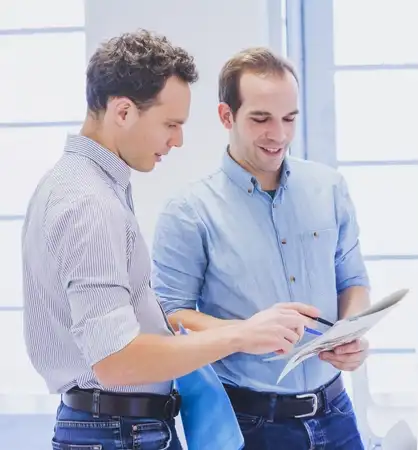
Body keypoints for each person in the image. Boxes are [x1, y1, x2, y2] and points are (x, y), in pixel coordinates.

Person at [22, 31, 316, 449]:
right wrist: (242, 335)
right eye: (171, 125)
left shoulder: (80, 186)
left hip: (117, 429)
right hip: (117, 434)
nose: (177, 140)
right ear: (123, 111)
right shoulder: (87, 203)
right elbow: (116, 361)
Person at [151, 47, 371, 449]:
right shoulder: (188, 212)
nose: (280, 134)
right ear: (226, 116)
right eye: (261, 119)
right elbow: (170, 316)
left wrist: (351, 332)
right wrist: (244, 333)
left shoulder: (329, 188)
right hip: (249, 423)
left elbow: (353, 281)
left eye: (289, 119)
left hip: (336, 412)